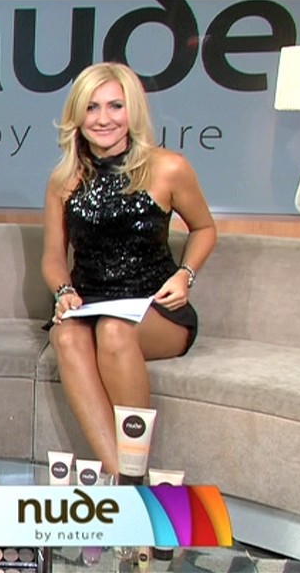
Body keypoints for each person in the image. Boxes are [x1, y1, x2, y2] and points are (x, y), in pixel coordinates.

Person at [40, 62, 216, 480]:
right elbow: (53, 257)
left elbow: (205, 229)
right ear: (77, 116)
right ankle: (125, 480)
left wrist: (185, 275)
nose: (103, 118)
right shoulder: (64, 179)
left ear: (132, 110)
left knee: (114, 330)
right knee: (65, 335)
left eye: (115, 106)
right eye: (92, 107)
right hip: (90, 304)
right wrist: (63, 291)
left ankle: (131, 474)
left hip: (156, 308)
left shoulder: (168, 168)